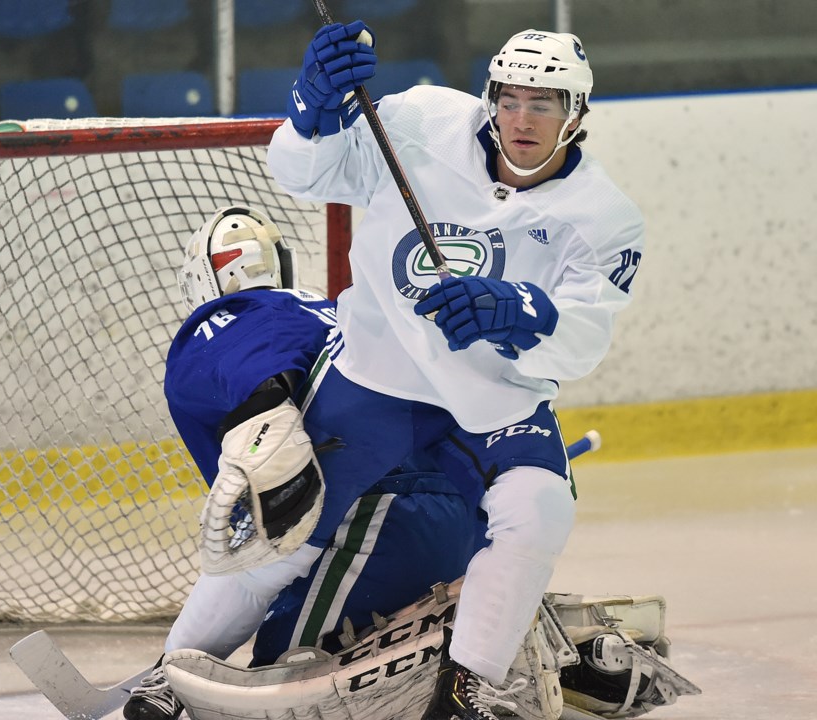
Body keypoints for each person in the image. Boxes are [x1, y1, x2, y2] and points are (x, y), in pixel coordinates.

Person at [263, 23, 645, 720]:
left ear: (578, 114)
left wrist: (524, 312)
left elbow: (583, 342)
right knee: (289, 515)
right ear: (490, 99)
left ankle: (467, 689)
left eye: (546, 104)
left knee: (534, 515)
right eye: (512, 99)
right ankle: (184, 663)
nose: (524, 119)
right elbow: (301, 170)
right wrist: (309, 109)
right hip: (381, 395)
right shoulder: (424, 125)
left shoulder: (605, 216)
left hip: (490, 413)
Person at [123, 205, 482, 720]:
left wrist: (266, 406)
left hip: (373, 517)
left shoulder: (231, 315)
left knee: (278, 684)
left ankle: (171, 676)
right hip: (455, 521)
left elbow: (258, 366)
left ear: (204, 277)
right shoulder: (333, 311)